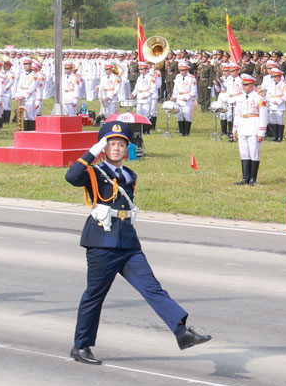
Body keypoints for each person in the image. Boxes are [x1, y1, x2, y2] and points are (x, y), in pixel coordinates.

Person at [62, 121, 212, 365]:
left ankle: (181, 332)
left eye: (121, 144)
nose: (117, 148)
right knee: (94, 296)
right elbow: (71, 176)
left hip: (128, 243)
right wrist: (93, 150)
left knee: (152, 288)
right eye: (111, 144)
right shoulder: (94, 171)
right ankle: (81, 347)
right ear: (104, 147)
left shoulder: (130, 175)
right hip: (101, 242)